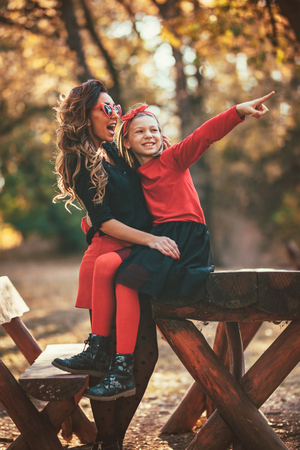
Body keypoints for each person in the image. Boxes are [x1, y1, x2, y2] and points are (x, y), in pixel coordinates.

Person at [83, 92, 274, 403]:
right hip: (159, 237)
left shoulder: (173, 160)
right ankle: (119, 367)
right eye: (140, 131)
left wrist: (237, 111)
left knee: (128, 280)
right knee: (120, 278)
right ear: (127, 142)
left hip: (185, 239)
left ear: (163, 136)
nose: (149, 135)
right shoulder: (132, 176)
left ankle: (121, 371)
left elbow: (203, 136)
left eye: (154, 130)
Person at [51, 79, 179, 450]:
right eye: (106, 108)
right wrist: (152, 238)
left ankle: (111, 439)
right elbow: (104, 219)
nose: (114, 114)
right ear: (84, 114)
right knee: (109, 360)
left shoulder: (113, 152)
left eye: (116, 108)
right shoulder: (80, 157)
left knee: (144, 354)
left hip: (130, 255)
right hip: (110, 259)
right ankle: (110, 442)